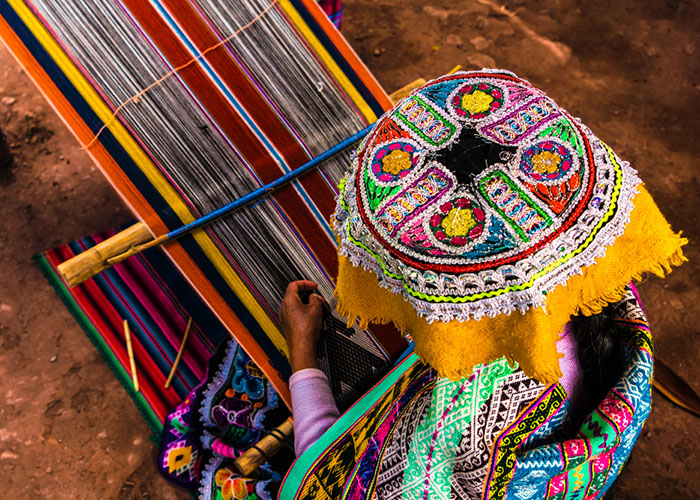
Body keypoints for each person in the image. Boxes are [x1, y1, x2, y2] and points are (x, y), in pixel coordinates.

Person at [159, 70, 687, 500]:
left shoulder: (457, 417)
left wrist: (303, 357)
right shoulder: (593, 287)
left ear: (441, 294)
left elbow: (336, 479)